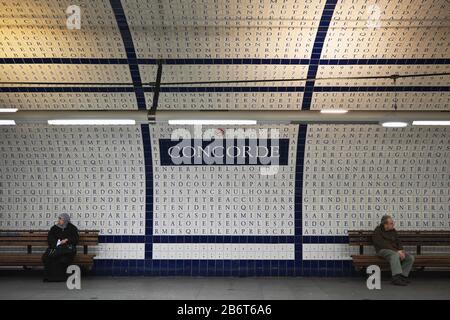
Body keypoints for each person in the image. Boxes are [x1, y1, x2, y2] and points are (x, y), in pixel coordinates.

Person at [372, 215, 414, 286]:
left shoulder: (393, 231)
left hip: (395, 251)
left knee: (410, 258)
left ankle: (402, 277)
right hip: (382, 250)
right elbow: (383, 244)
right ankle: (396, 278)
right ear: (385, 224)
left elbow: (398, 241)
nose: (393, 224)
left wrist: (401, 250)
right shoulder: (377, 231)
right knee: (395, 255)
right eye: (391, 223)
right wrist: (397, 251)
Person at [42, 213, 79, 282]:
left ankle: (61, 277)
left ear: (65, 220)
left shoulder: (72, 228)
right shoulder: (54, 228)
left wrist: (67, 240)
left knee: (63, 258)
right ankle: (50, 277)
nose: (59, 221)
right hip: (56, 248)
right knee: (47, 257)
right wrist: (56, 243)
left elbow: (75, 239)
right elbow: (50, 238)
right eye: (59, 219)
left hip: (67, 249)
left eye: (60, 219)